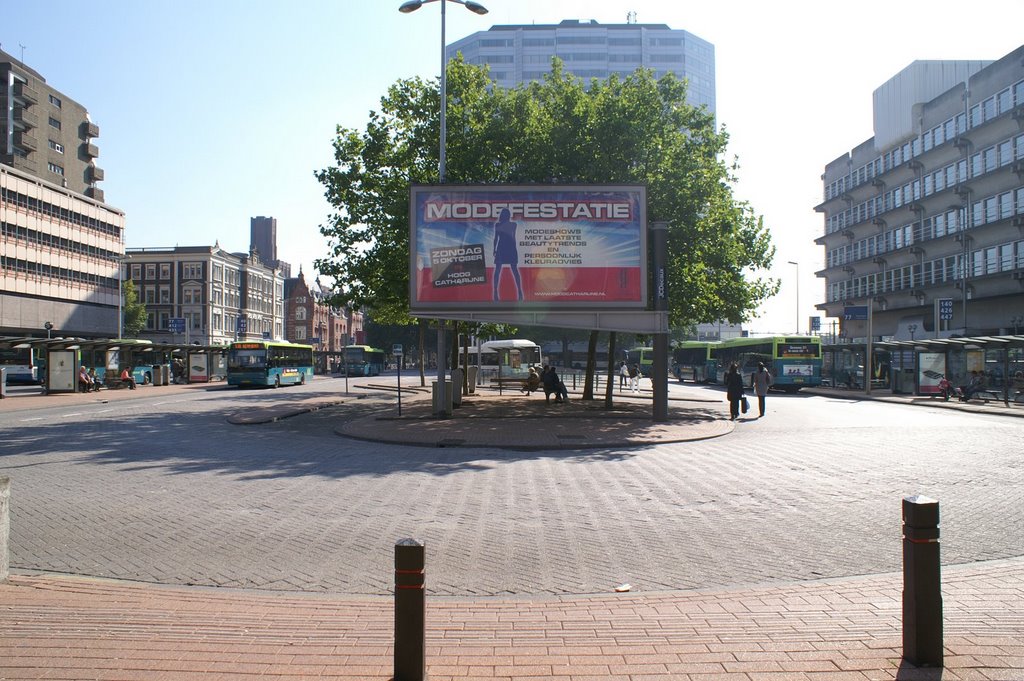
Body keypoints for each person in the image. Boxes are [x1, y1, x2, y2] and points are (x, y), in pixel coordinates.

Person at [492, 207, 524, 301]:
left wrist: (494, 249)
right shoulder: (513, 225)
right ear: (509, 215)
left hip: (502, 248)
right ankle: (519, 291)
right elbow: (513, 238)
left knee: (498, 270)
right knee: (513, 270)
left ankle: (495, 292)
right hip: (510, 248)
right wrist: (514, 250)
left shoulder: (498, 225)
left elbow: (495, 239)